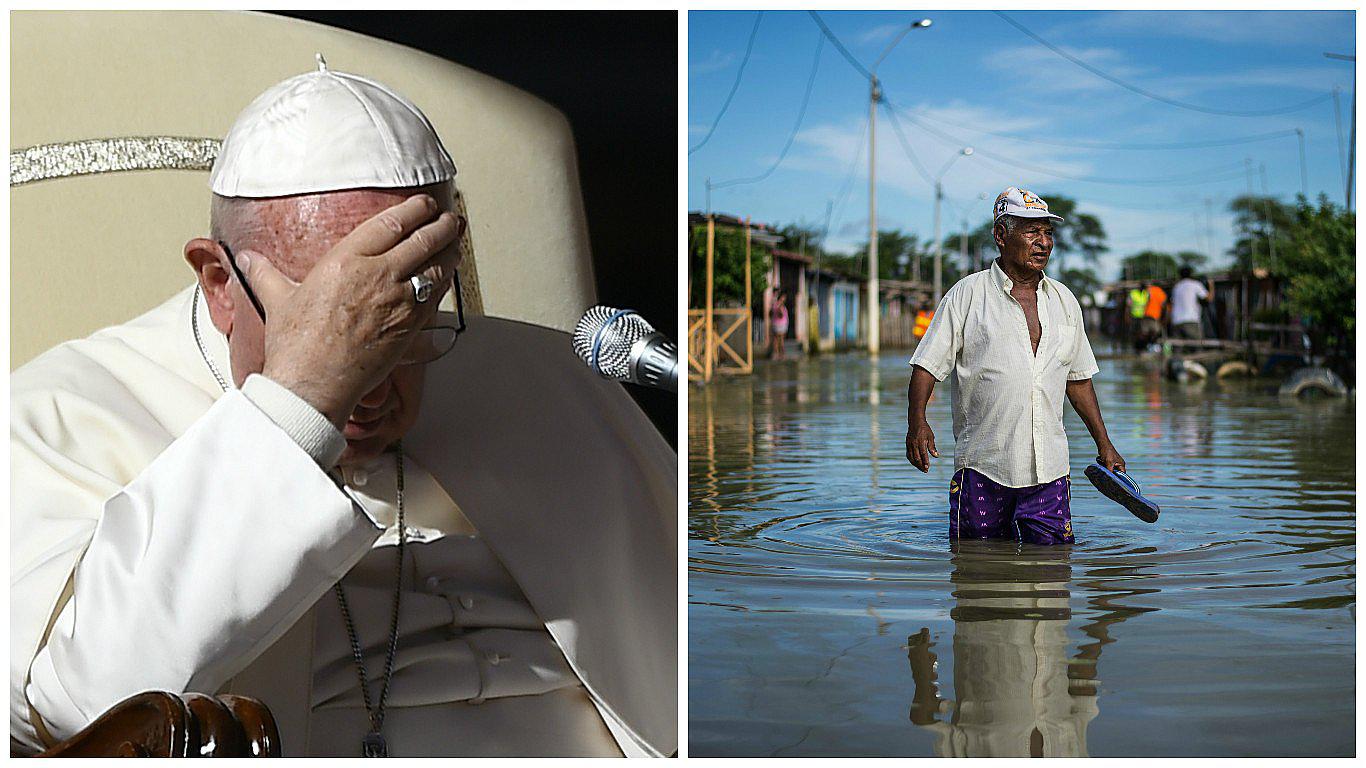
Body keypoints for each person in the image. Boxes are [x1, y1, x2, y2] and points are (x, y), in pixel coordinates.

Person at [11, 63, 675, 757]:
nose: (369, 382)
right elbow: (83, 718)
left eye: (403, 316)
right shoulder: (60, 412)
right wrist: (298, 402)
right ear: (219, 283)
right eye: (329, 318)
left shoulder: (548, 379)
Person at [904, 187, 1125, 546]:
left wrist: (1105, 444)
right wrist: (917, 422)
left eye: (1048, 233)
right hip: (983, 466)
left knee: (1054, 576)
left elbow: (1079, 380)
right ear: (1001, 236)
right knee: (974, 567)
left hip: (1050, 469)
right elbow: (926, 366)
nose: (1044, 243)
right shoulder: (967, 295)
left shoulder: (1064, 300)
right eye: (1031, 232)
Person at [1169, 266, 1211, 340]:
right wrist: (1211, 285)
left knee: (1178, 349)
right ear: (1191, 274)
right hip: (1191, 320)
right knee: (1195, 347)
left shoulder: (1176, 287)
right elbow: (1209, 298)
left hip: (1176, 321)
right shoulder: (1195, 284)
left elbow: (1172, 303)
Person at [769, 289, 789, 360]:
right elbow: (781, 315)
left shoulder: (774, 304)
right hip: (780, 324)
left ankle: (776, 354)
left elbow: (770, 313)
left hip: (776, 323)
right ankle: (781, 355)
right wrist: (780, 308)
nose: (785, 298)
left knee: (776, 340)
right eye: (784, 297)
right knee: (780, 340)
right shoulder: (779, 305)